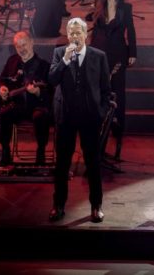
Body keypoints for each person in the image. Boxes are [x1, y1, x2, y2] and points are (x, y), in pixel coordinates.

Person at [48, 18, 111, 223]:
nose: (75, 37)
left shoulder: (98, 56)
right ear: (67, 36)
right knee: (62, 164)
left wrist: (100, 112)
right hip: (66, 116)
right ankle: (58, 205)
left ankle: (96, 205)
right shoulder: (60, 53)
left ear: (86, 34)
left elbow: (105, 89)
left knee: (92, 163)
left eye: (78, 33)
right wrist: (65, 60)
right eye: (71, 33)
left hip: (89, 117)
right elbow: (52, 80)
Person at [89, 0, 137, 159]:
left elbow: (130, 31)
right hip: (100, 53)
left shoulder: (126, 8)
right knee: (99, 91)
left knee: (118, 92)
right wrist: (91, 53)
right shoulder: (98, 5)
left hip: (118, 53)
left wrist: (133, 52)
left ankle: (118, 129)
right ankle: (100, 125)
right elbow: (95, 31)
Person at [0, 30, 52, 166]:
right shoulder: (12, 61)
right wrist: (2, 88)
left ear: (32, 43)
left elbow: (51, 90)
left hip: (36, 106)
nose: (22, 49)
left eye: (24, 44)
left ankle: (41, 152)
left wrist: (38, 92)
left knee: (41, 116)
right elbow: (1, 80)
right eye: (18, 46)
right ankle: (5, 151)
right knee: (3, 113)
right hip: (17, 105)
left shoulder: (44, 66)